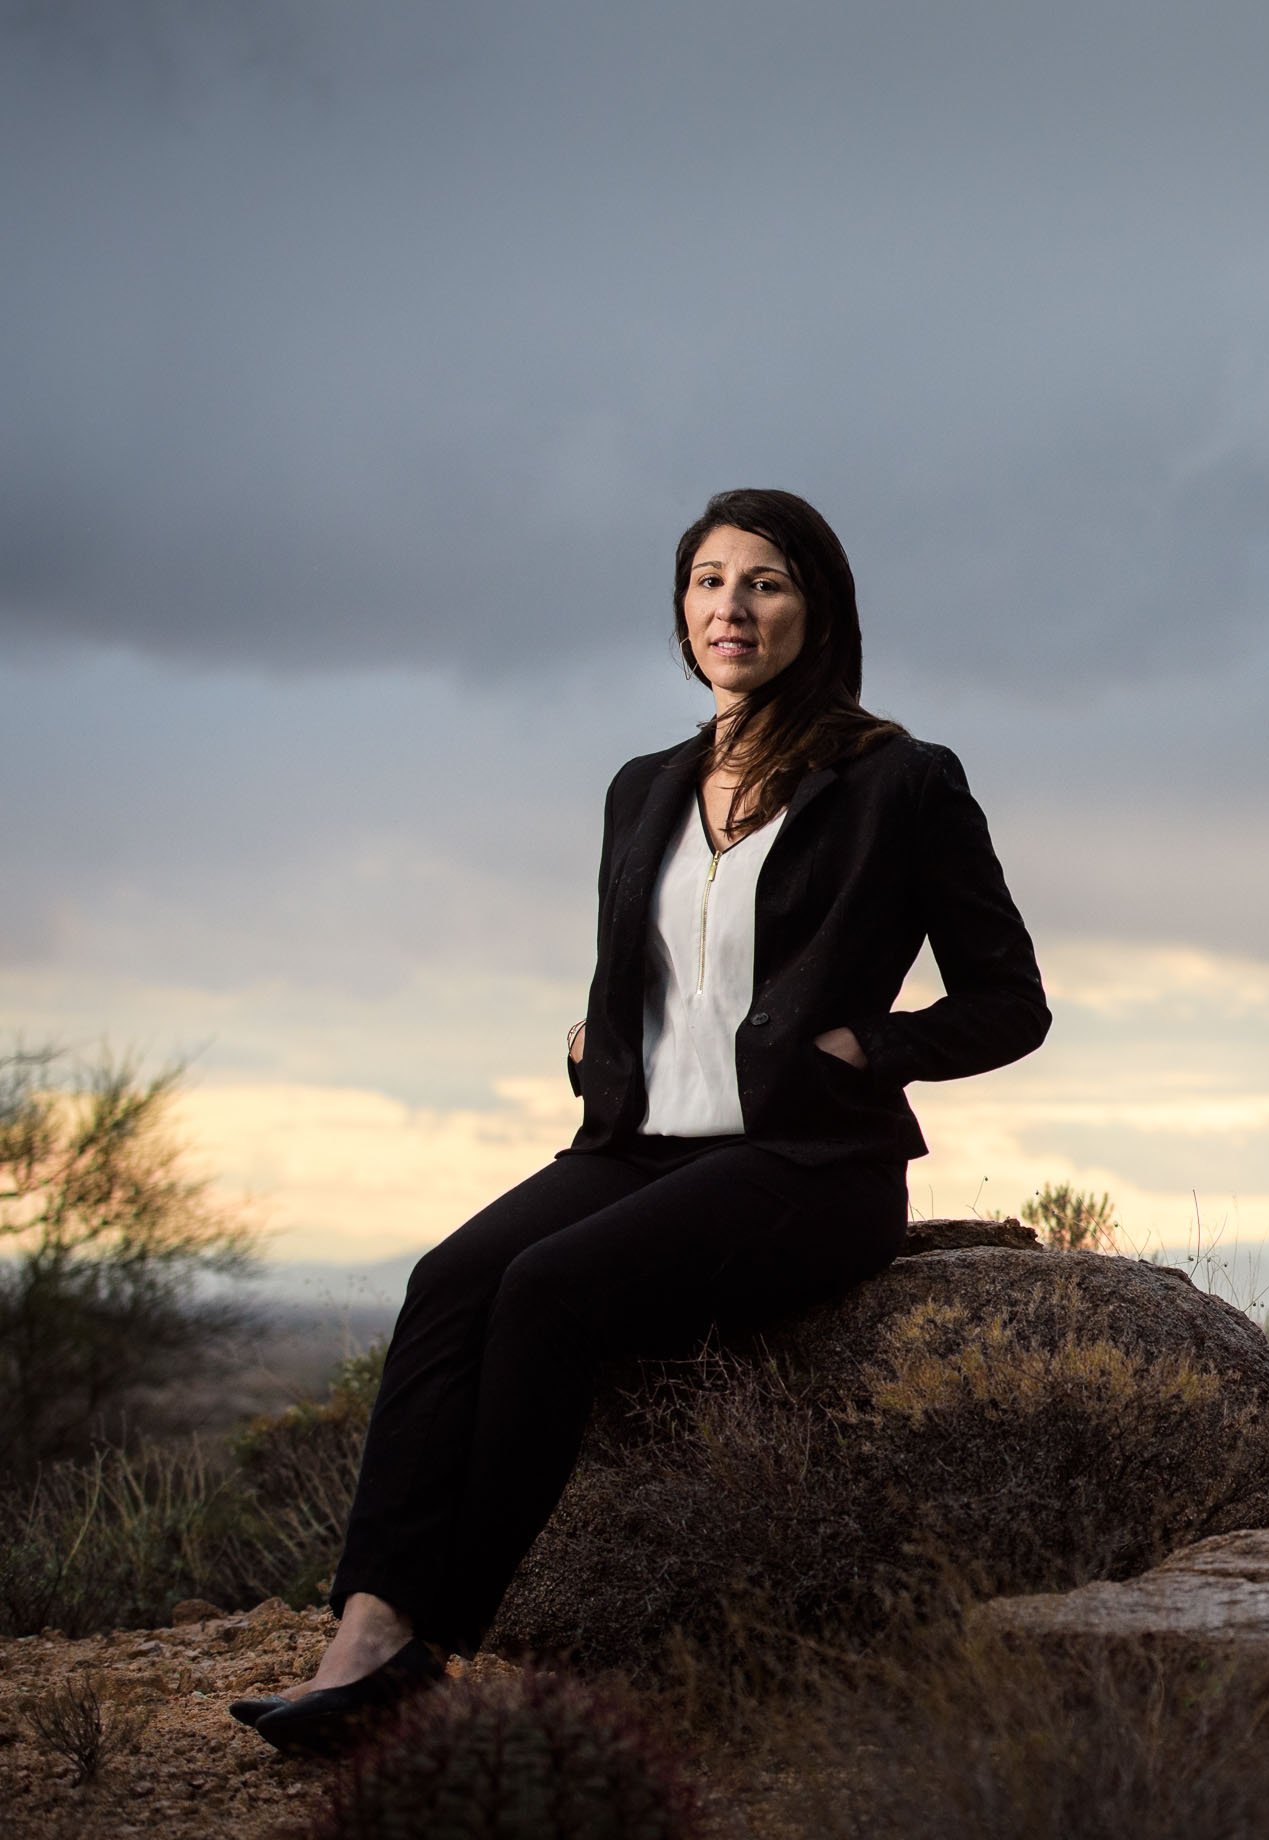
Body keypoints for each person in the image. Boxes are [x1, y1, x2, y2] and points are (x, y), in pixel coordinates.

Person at [236, 489, 1051, 1752]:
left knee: (550, 1290)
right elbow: (669, 970)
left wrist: (864, 1046)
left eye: (766, 582)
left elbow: (1012, 1002)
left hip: (807, 1159)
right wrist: (597, 1034)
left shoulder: (899, 780)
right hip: (634, 1144)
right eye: (709, 581)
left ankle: (430, 1645)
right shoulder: (646, 788)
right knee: (451, 1278)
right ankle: (365, 1629)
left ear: (816, 608)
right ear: (682, 609)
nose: (733, 607)